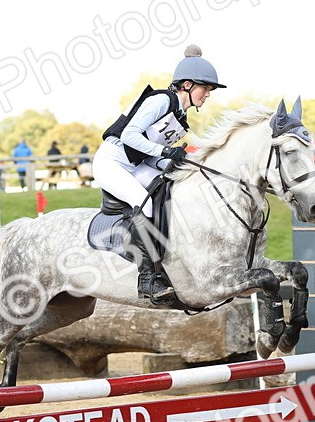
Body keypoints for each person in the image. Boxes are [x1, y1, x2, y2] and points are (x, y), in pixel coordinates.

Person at [92, 44, 225, 300]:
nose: (208, 95)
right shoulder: (161, 100)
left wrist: (179, 164)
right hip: (111, 162)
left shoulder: (180, 117)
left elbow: (151, 157)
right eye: (205, 88)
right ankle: (147, 280)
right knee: (145, 204)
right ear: (187, 84)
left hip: (135, 164)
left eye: (209, 90)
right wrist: (166, 153)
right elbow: (130, 135)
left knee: (173, 187)